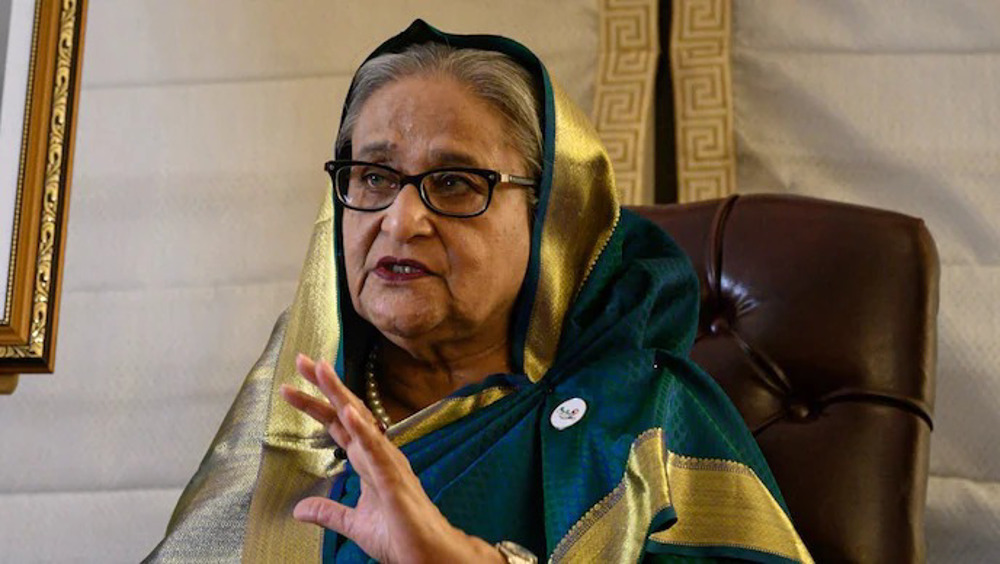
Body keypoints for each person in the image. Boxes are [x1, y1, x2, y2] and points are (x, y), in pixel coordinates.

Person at [146, 20, 812, 563]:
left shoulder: (640, 416)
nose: (402, 220)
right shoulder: (296, 391)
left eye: (457, 183)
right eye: (374, 177)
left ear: (550, 217)